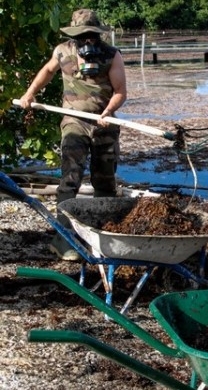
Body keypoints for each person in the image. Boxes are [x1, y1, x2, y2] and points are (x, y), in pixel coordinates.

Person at [20, 9, 127, 261]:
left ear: (98, 34)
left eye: (91, 35)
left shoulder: (112, 55)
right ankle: (63, 239)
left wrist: (108, 111)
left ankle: (103, 235)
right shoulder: (62, 51)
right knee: (70, 178)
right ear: (74, 35)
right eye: (82, 35)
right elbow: (47, 71)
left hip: (104, 123)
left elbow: (121, 91)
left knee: (105, 181)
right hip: (74, 121)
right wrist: (30, 93)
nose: (87, 40)